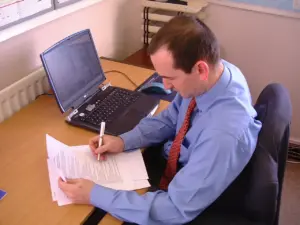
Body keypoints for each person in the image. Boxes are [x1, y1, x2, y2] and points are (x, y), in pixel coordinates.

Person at [58, 15, 262, 224]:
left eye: (171, 78)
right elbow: (171, 119)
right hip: (177, 164)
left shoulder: (223, 135)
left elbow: (173, 209)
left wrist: (95, 195)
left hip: (187, 199)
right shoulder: (216, 74)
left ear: (200, 69)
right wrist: (123, 141)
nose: (165, 87)